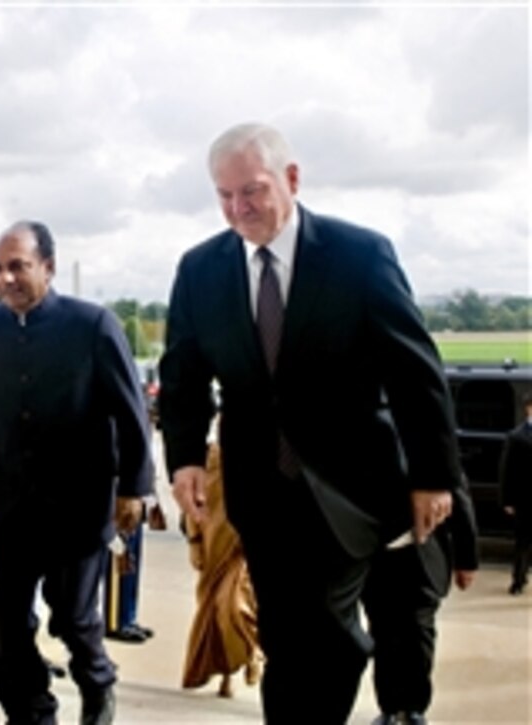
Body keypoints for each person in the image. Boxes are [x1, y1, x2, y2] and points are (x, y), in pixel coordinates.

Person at [159, 122, 462, 723]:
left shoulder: (359, 255)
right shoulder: (200, 269)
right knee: (288, 635)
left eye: (252, 191)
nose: (238, 209)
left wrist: (432, 475)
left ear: (290, 179)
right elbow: (184, 374)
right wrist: (186, 456)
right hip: (262, 489)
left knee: (324, 633)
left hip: (352, 485)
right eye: (224, 196)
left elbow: (414, 372)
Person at [0, 221, 154, 725]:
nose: (6, 279)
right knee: (6, 626)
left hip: (81, 503)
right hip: (13, 503)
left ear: (48, 267)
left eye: (18, 266)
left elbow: (131, 414)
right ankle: (32, 712)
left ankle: (97, 684)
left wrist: (134, 488)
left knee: (73, 617)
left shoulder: (93, 325)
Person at [362, 474, 478, 725]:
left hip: (422, 558)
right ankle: (389, 708)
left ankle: (415, 707)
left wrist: (467, 560)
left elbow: (460, 498)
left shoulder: (430, 447)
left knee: (418, 634)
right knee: (383, 634)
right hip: (378, 560)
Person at [181, 437, 261, 699]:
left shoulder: (268, 459)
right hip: (214, 549)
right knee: (215, 611)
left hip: (247, 549)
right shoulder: (210, 460)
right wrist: (194, 541)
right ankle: (229, 673)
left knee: (237, 604)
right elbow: (194, 504)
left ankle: (253, 651)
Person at [103, 508, 156, 645]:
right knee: (121, 554)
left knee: (132, 555)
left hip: (134, 496)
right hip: (122, 495)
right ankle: (116, 622)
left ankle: (128, 617)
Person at [499, 391, 532, 595]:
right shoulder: (516, 436)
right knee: (523, 541)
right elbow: (506, 470)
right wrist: (507, 500)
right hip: (526, 498)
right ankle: (518, 579)